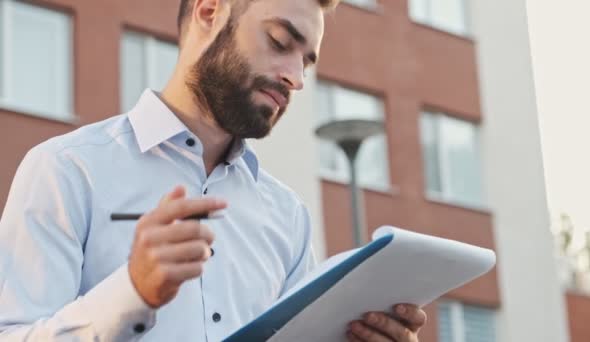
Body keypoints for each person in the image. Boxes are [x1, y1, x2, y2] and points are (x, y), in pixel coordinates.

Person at [0, 0, 427, 341]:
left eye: (306, 62)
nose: (296, 78)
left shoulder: (287, 215)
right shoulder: (68, 169)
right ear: (210, 12)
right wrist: (132, 293)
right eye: (280, 41)